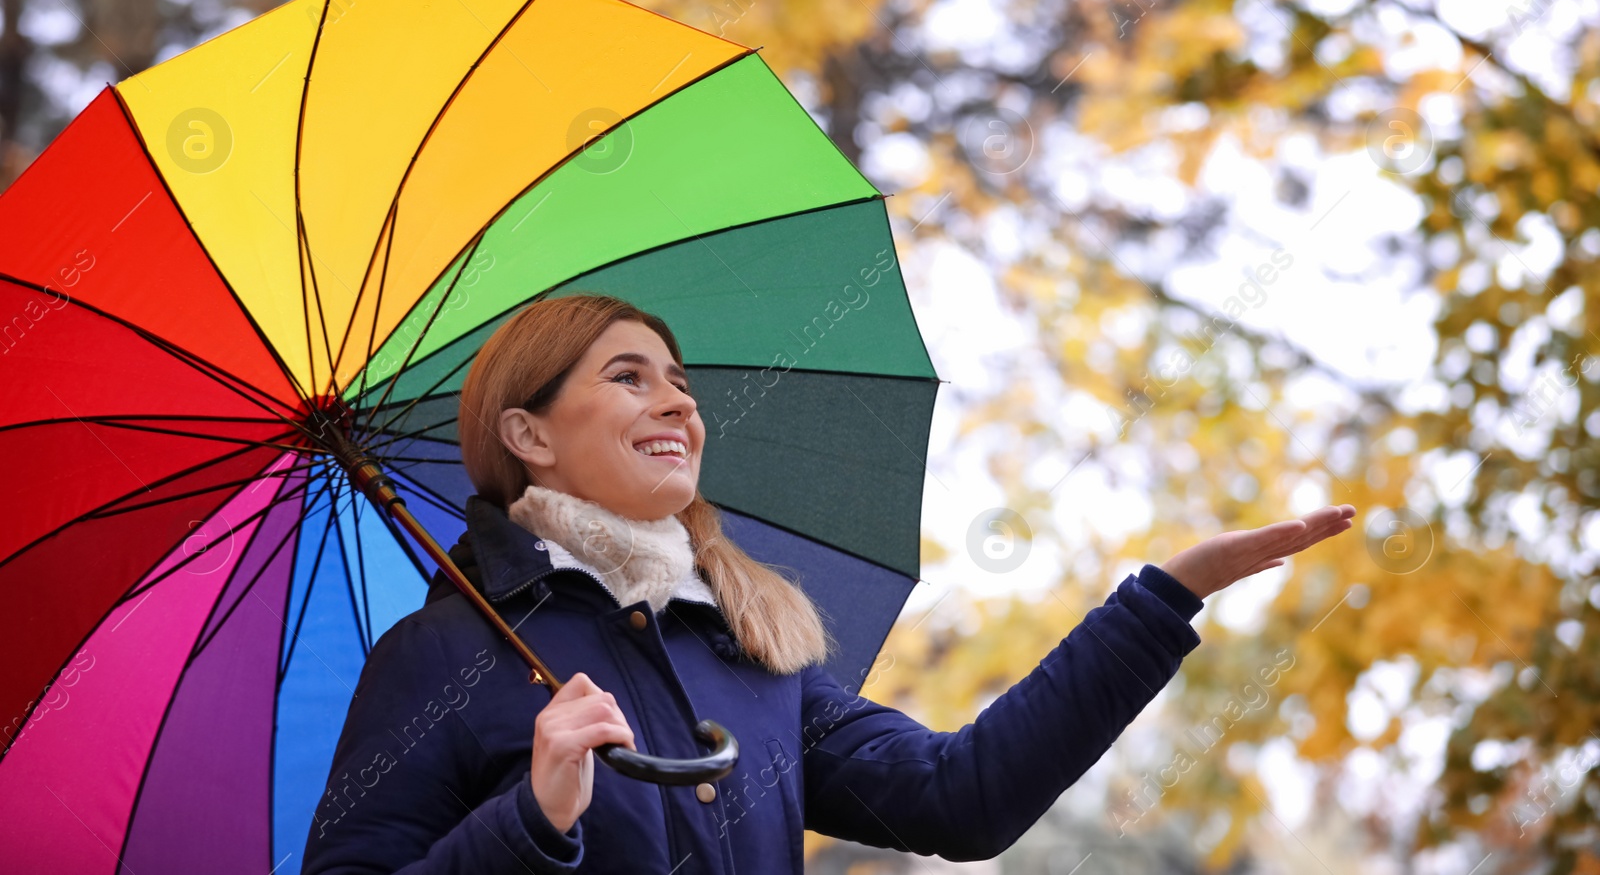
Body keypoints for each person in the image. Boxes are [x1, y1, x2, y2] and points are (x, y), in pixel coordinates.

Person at [301, 293, 1353, 873]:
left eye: (680, 381)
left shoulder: (745, 649)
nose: (677, 403)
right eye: (628, 377)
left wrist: (1159, 599)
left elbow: (966, 797)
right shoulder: (437, 658)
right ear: (527, 432)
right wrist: (526, 822)